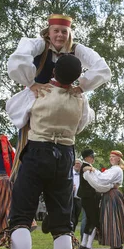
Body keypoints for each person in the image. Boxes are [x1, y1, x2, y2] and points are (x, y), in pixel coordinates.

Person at [0, 54, 95, 249]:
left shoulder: (38, 92)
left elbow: (13, 110)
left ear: (53, 72)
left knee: (21, 217)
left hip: (38, 152)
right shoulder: (81, 98)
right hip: (66, 154)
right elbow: (83, 124)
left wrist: (32, 85)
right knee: (62, 224)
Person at [6, 14, 111, 180]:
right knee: (27, 148)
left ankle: (61, 181)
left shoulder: (77, 49)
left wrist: (82, 87)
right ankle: (19, 184)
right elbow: (18, 58)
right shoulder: (40, 44)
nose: (60, 35)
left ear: (69, 33)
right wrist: (31, 84)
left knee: (65, 142)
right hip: (38, 102)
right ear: (49, 32)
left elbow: (102, 68)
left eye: (64, 31)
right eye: (56, 31)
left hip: (64, 104)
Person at [83, 151, 124, 249]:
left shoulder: (117, 169)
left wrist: (93, 170)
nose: (111, 158)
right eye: (110, 157)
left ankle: (117, 245)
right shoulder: (112, 169)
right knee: (110, 220)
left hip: (113, 196)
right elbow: (103, 178)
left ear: (118, 159)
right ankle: (114, 245)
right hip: (109, 195)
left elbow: (103, 179)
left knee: (112, 219)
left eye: (113, 157)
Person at [77, 149, 100, 249]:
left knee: (90, 220)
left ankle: (84, 243)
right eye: (92, 156)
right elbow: (94, 182)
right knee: (95, 220)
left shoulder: (86, 167)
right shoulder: (86, 168)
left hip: (86, 198)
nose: (93, 158)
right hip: (90, 198)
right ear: (87, 157)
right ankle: (89, 246)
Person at [71, 159, 83, 233]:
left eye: (79, 164)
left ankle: (73, 232)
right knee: (71, 217)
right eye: (76, 163)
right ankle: (70, 232)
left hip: (79, 199)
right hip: (70, 198)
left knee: (76, 217)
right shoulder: (69, 173)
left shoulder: (83, 175)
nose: (77, 165)